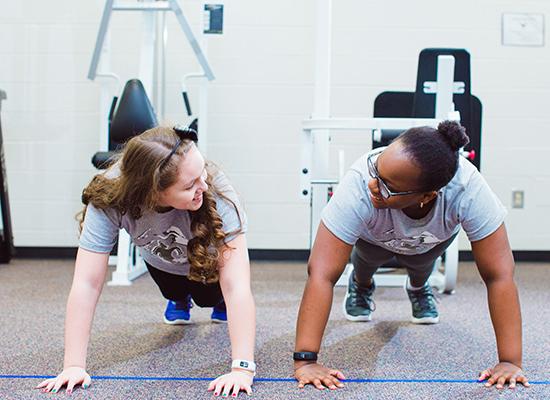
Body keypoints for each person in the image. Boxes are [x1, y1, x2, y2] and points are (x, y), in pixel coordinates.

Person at [293, 121, 529, 391]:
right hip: (373, 238)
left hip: (429, 241)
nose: (373, 184)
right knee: (366, 260)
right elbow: (321, 272)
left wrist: (510, 361)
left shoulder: (468, 189)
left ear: (427, 196)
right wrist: (306, 361)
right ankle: (361, 285)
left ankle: (418, 286)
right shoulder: (359, 182)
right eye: (376, 171)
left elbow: (499, 274)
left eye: (387, 185)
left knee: (420, 265)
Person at [36, 126, 256, 397]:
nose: (204, 185)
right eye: (190, 185)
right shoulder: (110, 194)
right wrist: (72, 366)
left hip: (207, 261)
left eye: (202, 174)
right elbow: (86, 284)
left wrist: (242, 368)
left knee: (210, 298)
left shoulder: (217, 189)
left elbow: (237, 285)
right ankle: (178, 298)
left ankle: (214, 301)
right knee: (174, 290)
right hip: (162, 258)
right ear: (153, 193)